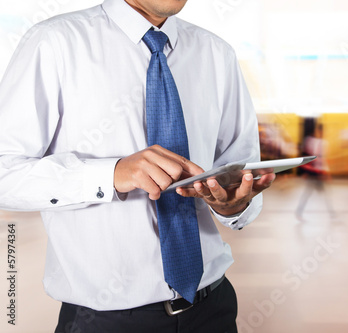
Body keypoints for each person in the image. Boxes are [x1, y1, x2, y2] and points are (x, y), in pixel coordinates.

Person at [0, 0, 275, 332]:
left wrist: (235, 204)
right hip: (104, 320)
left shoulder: (217, 55)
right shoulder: (53, 42)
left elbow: (239, 169)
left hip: (212, 308)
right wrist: (111, 174)